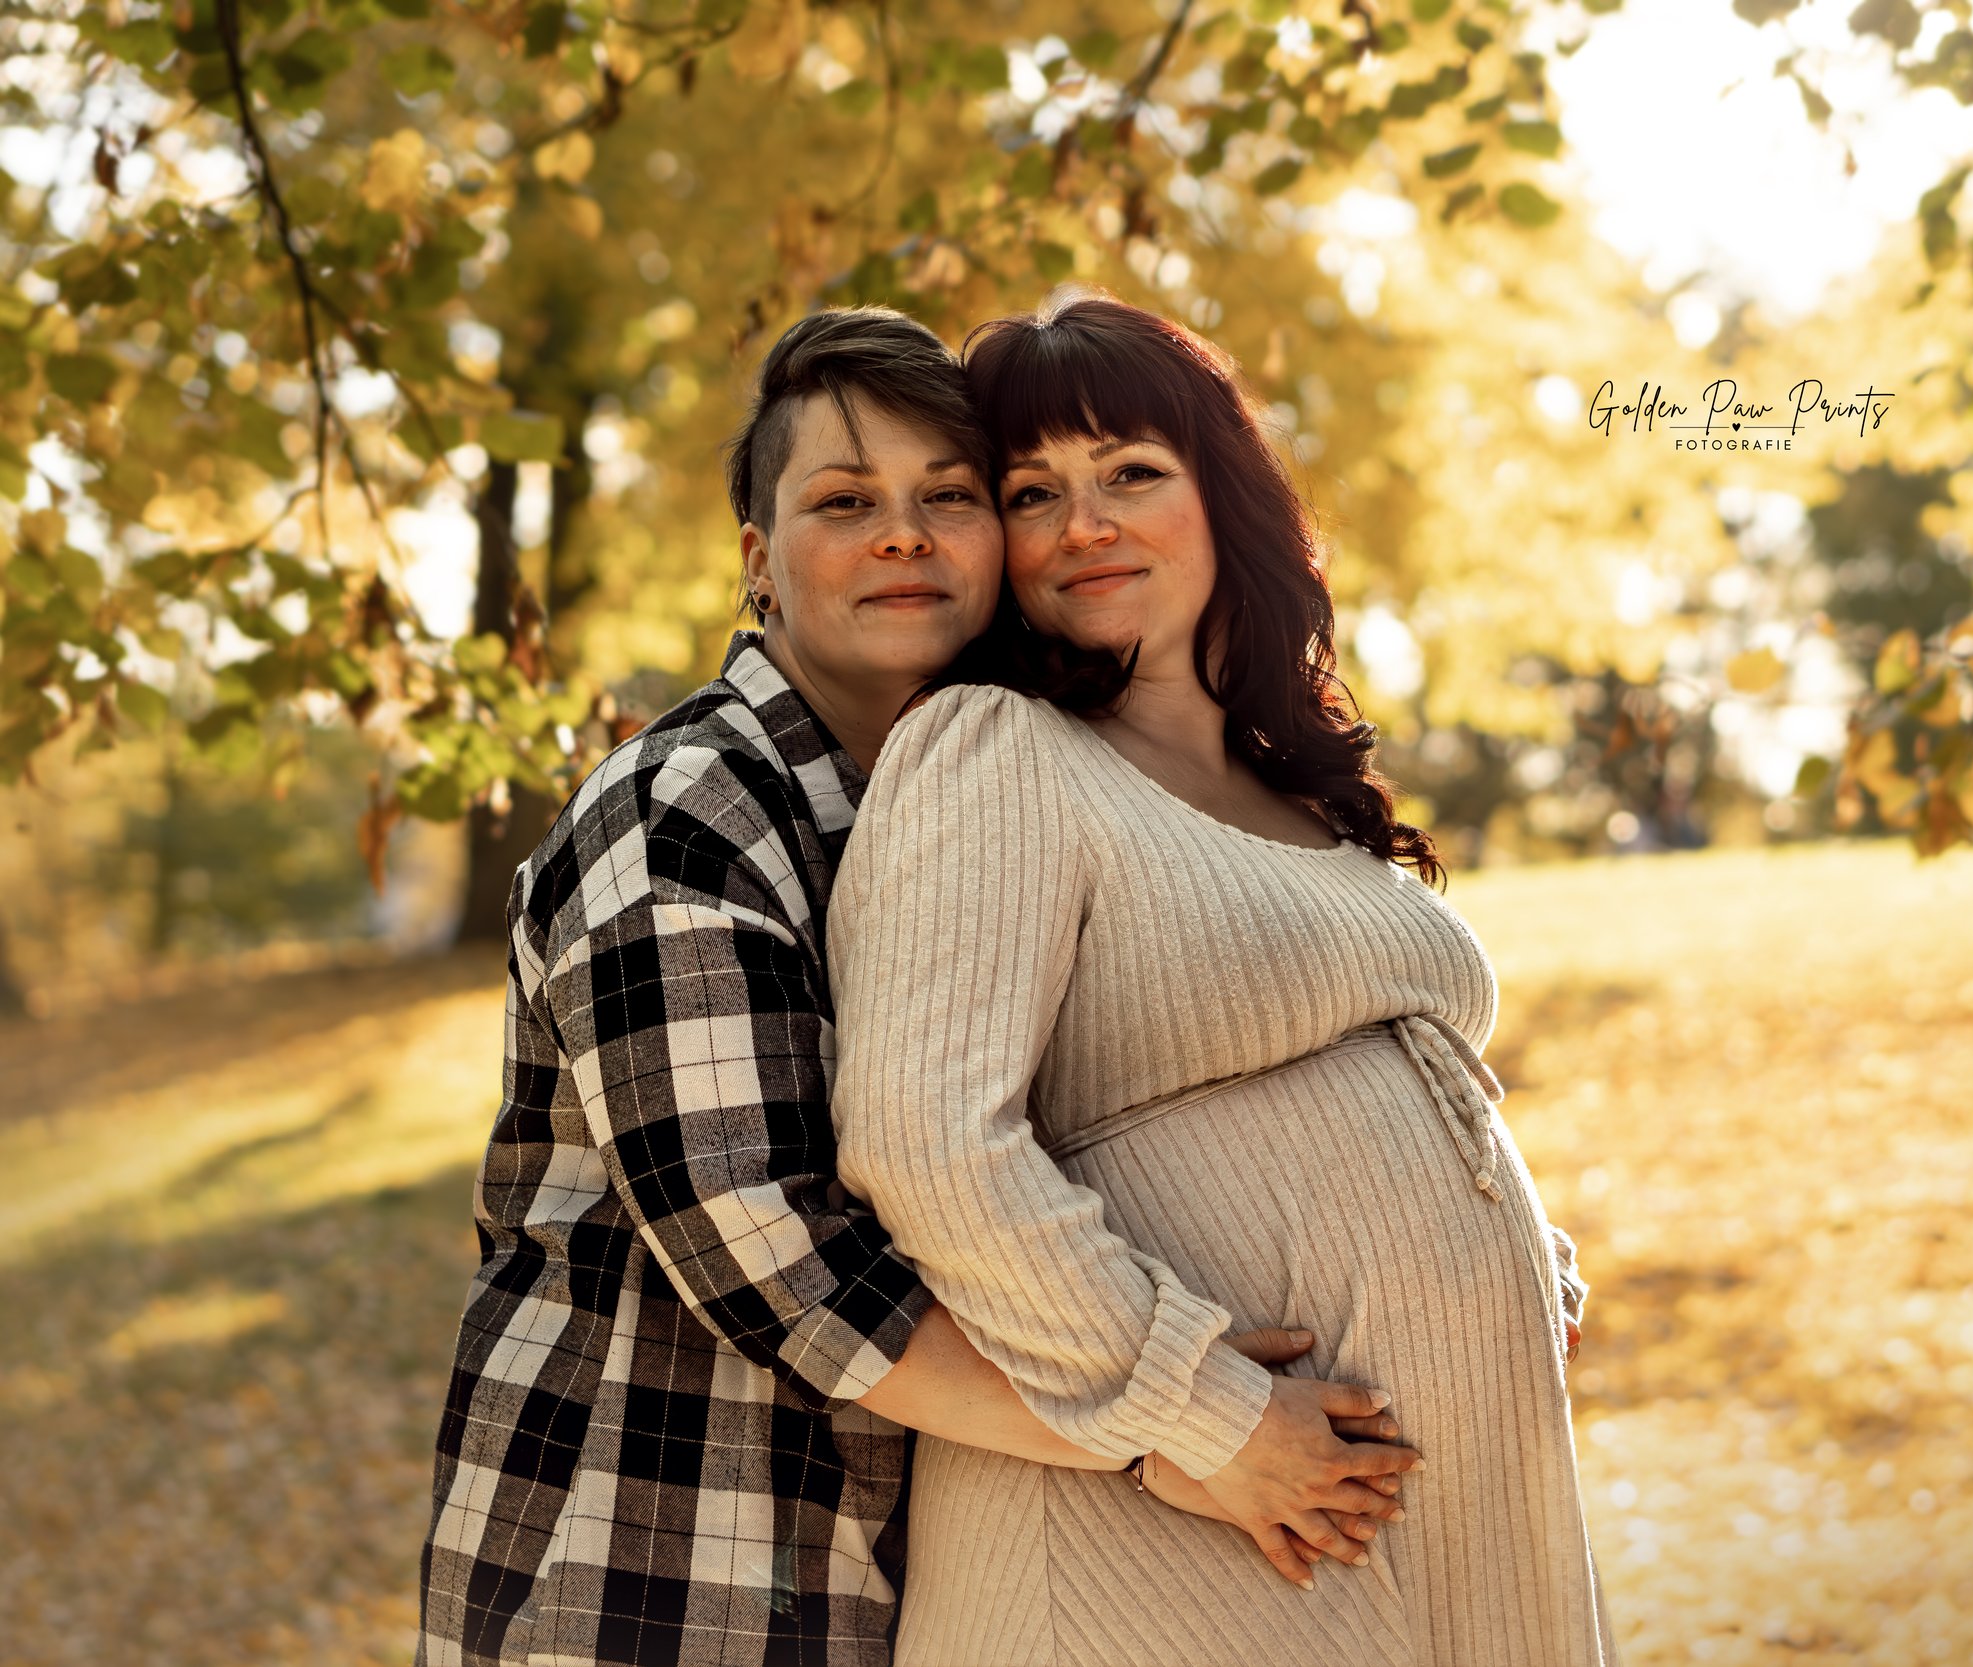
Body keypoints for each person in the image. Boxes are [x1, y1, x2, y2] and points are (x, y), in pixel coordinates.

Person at [415, 306, 1416, 1667]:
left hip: (876, 1583)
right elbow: (772, 1251)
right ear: (759, 564)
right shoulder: (685, 814)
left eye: (949, 496)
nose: (904, 535)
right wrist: (1183, 1430)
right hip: (650, 1577)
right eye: (846, 502)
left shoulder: (946, 801)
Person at [823, 291, 1610, 1664]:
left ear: (1220, 499)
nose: (1085, 524)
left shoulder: (1296, 786)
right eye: (1033, 492)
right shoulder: (993, 749)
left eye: (1131, 473)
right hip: (1165, 1538)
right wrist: (1204, 1414)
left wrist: (1516, 1265)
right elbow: (924, 1141)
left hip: (1417, 1511)